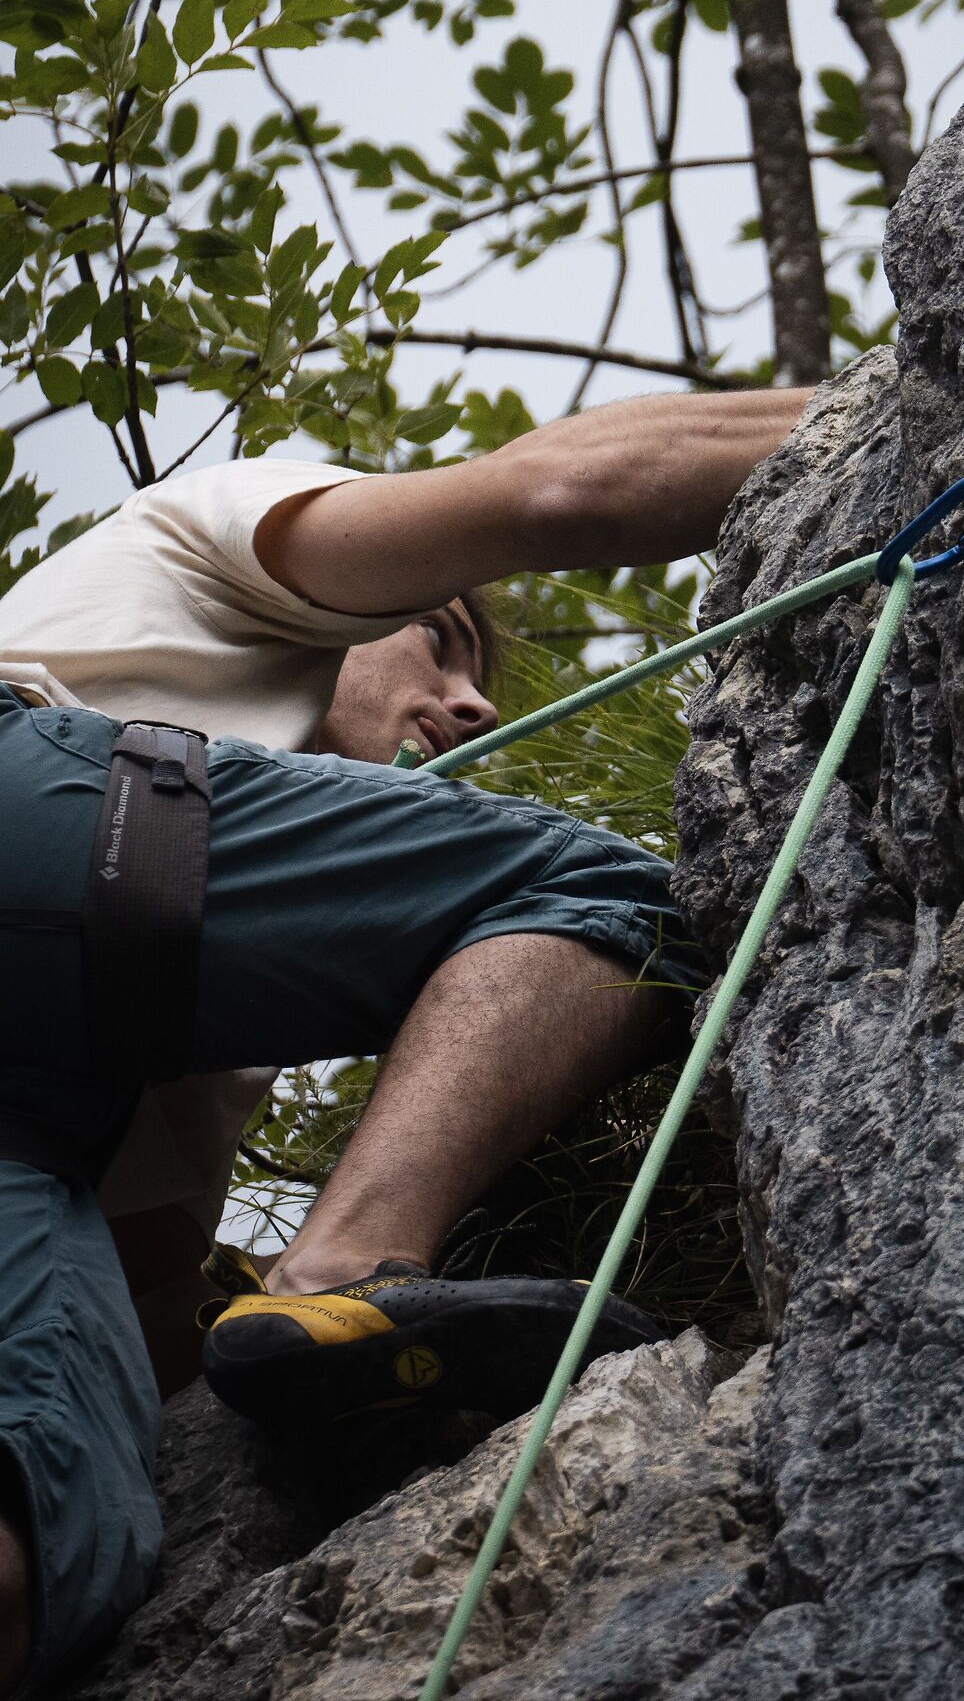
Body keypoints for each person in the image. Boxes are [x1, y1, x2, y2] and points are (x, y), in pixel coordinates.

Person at [0, 383, 809, 1695]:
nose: (467, 705)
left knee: (44, 1560)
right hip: (40, 827)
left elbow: (148, 1314)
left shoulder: (197, 1039)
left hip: (34, 1117)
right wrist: (908, 398)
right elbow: (558, 488)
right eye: (435, 640)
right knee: (615, 898)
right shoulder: (210, 535)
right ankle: (348, 1264)